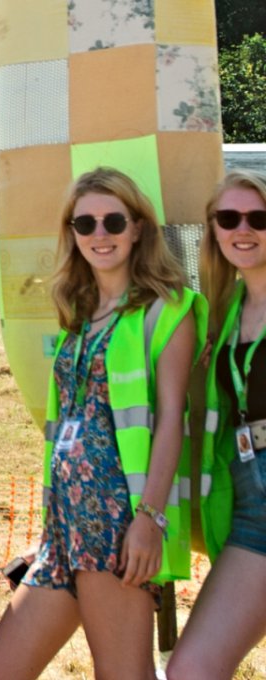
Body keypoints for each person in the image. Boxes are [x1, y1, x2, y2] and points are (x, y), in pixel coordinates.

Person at [0, 168, 200, 679]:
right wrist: (51, 523)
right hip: (63, 532)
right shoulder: (78, 313)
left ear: (138, 228)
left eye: (113, 221)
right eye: (85, 224)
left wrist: (150, 520)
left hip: (115, 527)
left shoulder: (167, 309)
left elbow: (169, 423)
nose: (100, 235)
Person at [164, 170, 266, 680]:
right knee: (192, 668)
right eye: (228, 218)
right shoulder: (223, 312)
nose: (242, 229)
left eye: (257, 218)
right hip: (250, 499)